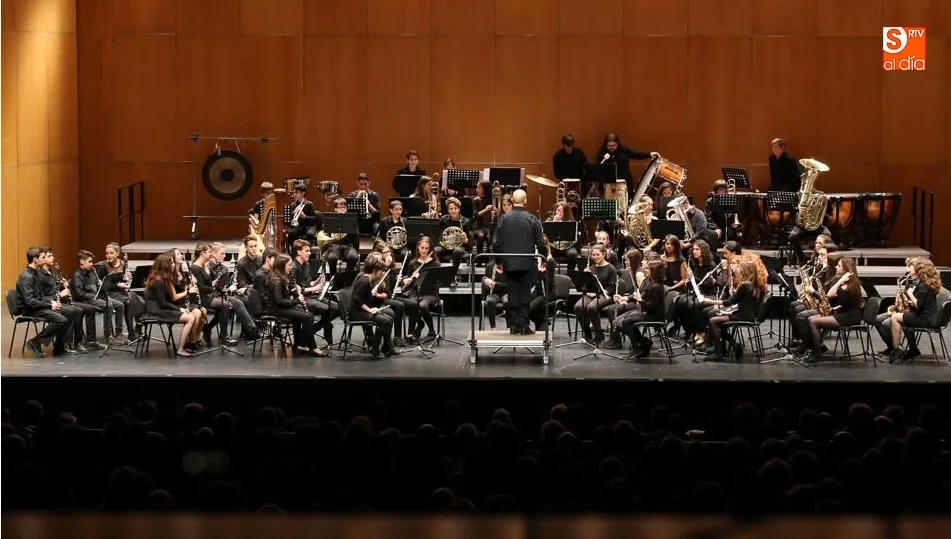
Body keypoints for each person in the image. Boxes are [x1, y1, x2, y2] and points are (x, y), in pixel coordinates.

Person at [492, 189, 547, 335]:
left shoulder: (503, 219)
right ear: (526, 200)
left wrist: (498, 261)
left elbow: (495, 243)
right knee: (525, 295)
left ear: (512, 201)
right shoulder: (532, 219)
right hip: (527, 263)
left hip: (509, 263)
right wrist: (544, 256)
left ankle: (514, 326)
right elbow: (540, 242)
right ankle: (524, 325)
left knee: (512, 294)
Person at [16, 247, 81, 357]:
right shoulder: (26, 276)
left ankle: (60, 347)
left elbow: (40, 296)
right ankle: (35, 341)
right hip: (30, 309)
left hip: (38, 306)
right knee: (61, 319)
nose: (45, 259)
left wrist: (52, 303)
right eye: (43, 257)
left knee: (70, 312)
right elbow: (29, 301)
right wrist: (50, 305)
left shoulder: (35, 273)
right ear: (35, 259)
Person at [800, 257, 864, 364]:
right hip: (843, 313)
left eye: (839, 266)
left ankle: (818, 355)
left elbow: (829, 294)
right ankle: (813, 350)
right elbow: (846, 302)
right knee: (810, 318)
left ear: (846, 270)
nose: (835, 267)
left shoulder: (847, 285)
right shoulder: (848, 283)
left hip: (849, 317)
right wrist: (837, 307)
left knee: (813, 321)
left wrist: (840, 280)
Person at [700, 259, 765, 362]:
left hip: (743, 315)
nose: (739, 269)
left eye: (741, 268)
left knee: (712, 321)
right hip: (746, 314)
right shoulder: (753, 283)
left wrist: (710, 302)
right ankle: (733, 345)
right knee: (720, 323)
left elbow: (729, 302)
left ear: (746, 270)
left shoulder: (745, 285)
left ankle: (719, 354)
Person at [266, 254, 329, 357]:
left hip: (283, 307)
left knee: (308, 315)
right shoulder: (275, 280)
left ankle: (299, 344)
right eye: (289, 265)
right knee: (306, 316)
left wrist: (293, 291)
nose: (291, 267)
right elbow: (279, 301)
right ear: (282, 265)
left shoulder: (282, 276)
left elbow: (285, 293)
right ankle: (313, 347)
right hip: (276, 310)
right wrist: (297, 300)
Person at [144, 253, 203, 357]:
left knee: (192, 315)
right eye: (171, 263)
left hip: (161, 307)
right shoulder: (159, 281)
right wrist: (180, 309)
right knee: (190, 318)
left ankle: (185, 345)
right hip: (156, 310)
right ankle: (180, 349)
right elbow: (162, 304)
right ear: (165, 265)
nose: (173, 264)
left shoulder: (163, 279)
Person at [884, 257, 942, 363]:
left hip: (925, 319)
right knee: (901, 318)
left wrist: (910, 294)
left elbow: (919, 306)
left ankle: (897, 348)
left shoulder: (923, 285)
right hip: (929, 317)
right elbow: (923, 303)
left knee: (894, 317)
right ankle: (911, 348)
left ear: (921, 269)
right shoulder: (928, 283)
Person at [614, 259, 667, 359]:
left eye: (648, 268)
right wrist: (625, 298)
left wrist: (640, 301)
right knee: (619, 321)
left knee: (626, 322)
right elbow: (641, 296)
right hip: (648, 312)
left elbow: (651, 306)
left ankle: (637, 347)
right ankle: (644, 343)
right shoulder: (649, 281)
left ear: (654, 271)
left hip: (654, 316)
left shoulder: (656, 287)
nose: (645, 270)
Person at [290, 239, 339, 345]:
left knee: (336, 308)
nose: (309, 253)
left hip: (310, 296)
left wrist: (317, 282)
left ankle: (314, 328)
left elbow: (308, 283)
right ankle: (326, 330)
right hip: (300, 299)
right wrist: (315, 288)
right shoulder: (293, 267)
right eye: (306, 251)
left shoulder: (306, 265)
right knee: (325, 309)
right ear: (298, 252)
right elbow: (294, 290)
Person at [394, 236, 441, 344]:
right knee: (412, 304)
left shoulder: (435, 263)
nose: (424, 250)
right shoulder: (412, 263)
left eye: (426, 248)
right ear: (418, 248)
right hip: (415, 293)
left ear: (430, 250)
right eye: (422, 248)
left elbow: (437, 281)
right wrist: (406, 280)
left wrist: (422, 276)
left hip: (430, 293)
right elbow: (408, 282)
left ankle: (432, 332)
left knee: (422, 306)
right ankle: (414, 331)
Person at [349, 253, 396, 359]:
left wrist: (374, 308)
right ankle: (375, 349)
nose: (381, 273)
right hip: (356, 313)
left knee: (388, 319)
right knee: (385, 321)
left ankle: (383, 347)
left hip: (362, 310)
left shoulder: (369, 280)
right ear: (375, 270)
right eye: (380, 270)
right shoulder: (364, 281)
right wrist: (370, 310)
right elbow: (356, 299)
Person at [573, 244, 618, 344]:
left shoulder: (611, 268)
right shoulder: (591, 268)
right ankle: (587, 333)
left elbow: (612, 287)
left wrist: (600, 292)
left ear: (604, 254)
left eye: (598, 254)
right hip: (591, 294)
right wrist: (584, 276)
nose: (595, 257)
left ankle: (599, 334)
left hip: (606, 295)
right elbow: (586, 285)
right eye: (593, 255)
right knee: (578, 307)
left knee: (591, 307)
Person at [69, 250, 114, 350]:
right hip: (84, 300)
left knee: (117, 304)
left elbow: (95, 288)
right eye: (89, 262)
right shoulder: (77, 276)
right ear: (82, 262)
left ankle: (108, 335)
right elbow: (80, 294)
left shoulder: (91, 273)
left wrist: (101, 285)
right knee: (107, 305)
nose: (92, 264)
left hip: (93, 298)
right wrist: (94, 296)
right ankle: (105, 336)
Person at [97, 242, 137, 342]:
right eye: (107, 253)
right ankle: (120, 332)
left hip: (120, 292)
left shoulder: (123, 264)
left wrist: (126, 278)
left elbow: (124, 281)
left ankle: (131, 331)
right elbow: (101, 286)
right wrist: (117, 285)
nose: (108, 256)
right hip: (108, 293)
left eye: (111, 253)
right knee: (125, 302)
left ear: (117, 253)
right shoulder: (103, 267)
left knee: (130, 301)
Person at [595, 132, 660, 194]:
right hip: (608, 184)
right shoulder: (601, 152)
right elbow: (599, 168)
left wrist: (649, 154)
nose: (611, 148)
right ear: (605, 144)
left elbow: (637, 155)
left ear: (617, 144)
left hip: (625, 182)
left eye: (614, 145)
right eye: (609, 146)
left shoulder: (623, 150)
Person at [324, 197, 360, 274]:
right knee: (331, 258)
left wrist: (352, 228)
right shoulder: (331, 219)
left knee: (353, 257)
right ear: (335, 209)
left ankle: (347, 274)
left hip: (348, 245)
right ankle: (333, 276)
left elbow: (356, 236)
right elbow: (326, 233)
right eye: (340, 207)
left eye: (344, 207)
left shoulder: (350, 219)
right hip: (335, 244)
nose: (342, 209)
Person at [433, 197, 471, 270]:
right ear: (448, 210)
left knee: (457, 251)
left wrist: (465, 239)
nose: (453, 210)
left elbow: (468, 243)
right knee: (435, 250)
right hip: (446, 245)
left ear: (459, 209)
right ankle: (436, 272)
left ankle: (453, 272)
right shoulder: (443, 220)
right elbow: (440, 235)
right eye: (451, 209)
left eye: (455, 208)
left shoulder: (465, 222)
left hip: (459, 246)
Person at [285, 185, 323, 254]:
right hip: (299, 225)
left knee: (310, 234)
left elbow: (313, 219)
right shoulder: (292, 205)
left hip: (309, 226)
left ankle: (308, 253)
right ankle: (292, 252)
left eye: (297, 193)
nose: (294, 195)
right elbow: (289, 219)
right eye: (294, 193)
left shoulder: (309, 204)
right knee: (291, 233)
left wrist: (304, 216)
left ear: (303, 193)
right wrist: (293, 213)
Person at [481, 262, 508, 331]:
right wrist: (487, 285)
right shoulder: (489, 266)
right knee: (490, 301)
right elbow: (486, 281)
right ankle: (493, 328)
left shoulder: (508, 265)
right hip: (493, 293)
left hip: (506, 292)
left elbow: (509, 285)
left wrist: (494, 283)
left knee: (507, 301)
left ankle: (509, 327)